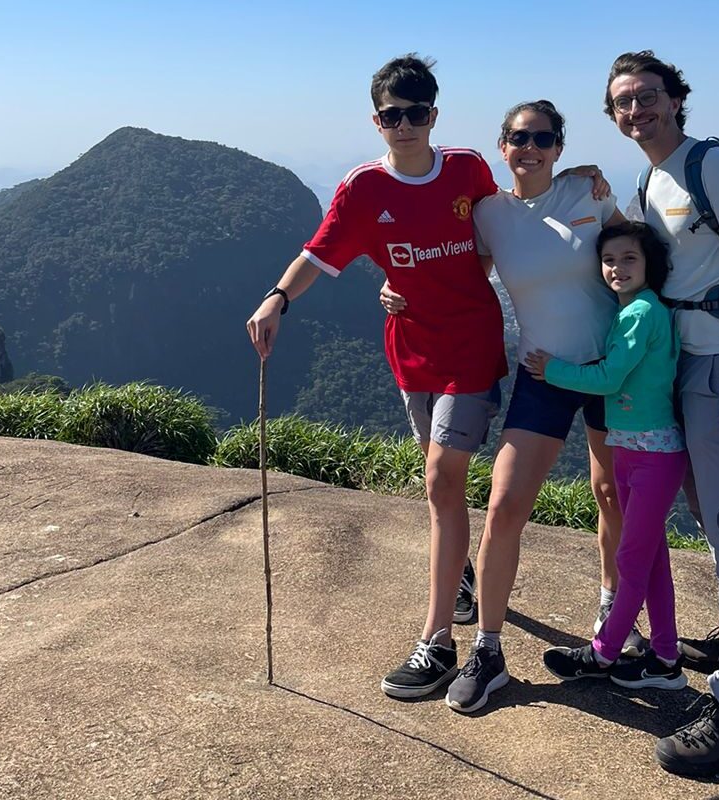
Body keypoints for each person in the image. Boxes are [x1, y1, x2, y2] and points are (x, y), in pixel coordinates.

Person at [245, 54, 507, 700]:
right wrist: (277, 298)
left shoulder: (469, 169)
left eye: (417, 113)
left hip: (471, 346)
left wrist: (580, 191)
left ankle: (438, 642)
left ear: (434, 116)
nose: (405, 125)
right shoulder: (364, 189)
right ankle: (462, 576)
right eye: (393, 115)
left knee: (442, 477)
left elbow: (507, 230)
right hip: (410, 351)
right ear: (376, 120)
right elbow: (318, 253)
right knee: (439, 485)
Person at [381, 100, 645, 714]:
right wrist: (396, 286)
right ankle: (489, 648)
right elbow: (450, 268)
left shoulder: (589, 191)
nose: (531, 147)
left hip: (612, 369)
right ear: (502, 146)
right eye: (519, 138)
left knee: (611, 495)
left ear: (558, 146)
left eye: (544, 138)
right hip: (542, 372)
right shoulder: (489, 213)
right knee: (503, 504)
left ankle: (614, 614)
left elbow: (635, 254)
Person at [604, 50, 719, 777]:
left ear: (676, 99)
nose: (638, 109)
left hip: (718, 372)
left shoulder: (711, 165)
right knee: (716, 521)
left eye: (648, 95)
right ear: (613, 115)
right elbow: (643, 259)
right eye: (623, 101)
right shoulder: (650, 178)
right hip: (680, 369)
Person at [527, 221, 687, 692]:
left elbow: (611, 379)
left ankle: (602, 654)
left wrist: (550, 371)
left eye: (629, 258)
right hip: (634, 450)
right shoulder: (637, 310)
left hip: (652, 456)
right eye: (610, 259)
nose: (617, 267)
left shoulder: (640, 313)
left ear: (649, 264)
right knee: (652, 561)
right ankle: (665, 658)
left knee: (632, 562)